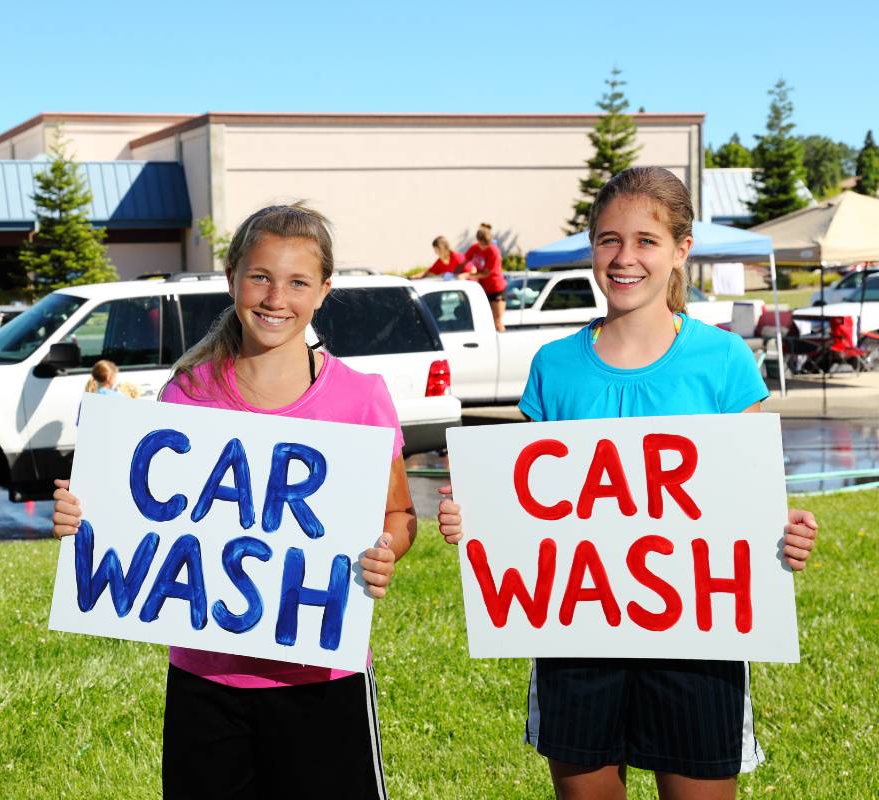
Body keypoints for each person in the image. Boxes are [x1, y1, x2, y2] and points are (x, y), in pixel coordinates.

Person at [437, 167, 818, 800]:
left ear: (680, 251)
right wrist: (473, 518)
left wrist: (787, 535)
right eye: (609, 239)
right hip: (573, 635)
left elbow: (752, 502)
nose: (625, 257)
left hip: (701, 637)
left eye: (645, 240)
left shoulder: (723, 361)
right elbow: (526, 508)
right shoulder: (554, 366)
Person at [53, 204, 416, 799]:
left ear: (324, 291)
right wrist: (80, 516)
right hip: (206, 680)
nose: (277, 297)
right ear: (231, 278)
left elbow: (399, 516)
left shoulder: (360, 398)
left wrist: (387, 551)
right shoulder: (185, 395)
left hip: (324, 679)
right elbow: (130, 517)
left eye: (298, 281)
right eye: (260, 277)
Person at [463, 223, 508, 331]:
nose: (484, 247)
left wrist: (468, 275)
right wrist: (459, 271)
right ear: (478, 241)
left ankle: (502, 340)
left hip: (496, 288)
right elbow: (463, 261)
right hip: (482, 288)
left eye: (487, 245)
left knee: (497, 319)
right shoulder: (474, 248)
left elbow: (487, 273)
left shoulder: (494, 251)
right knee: (486, 321)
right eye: (482, 244)